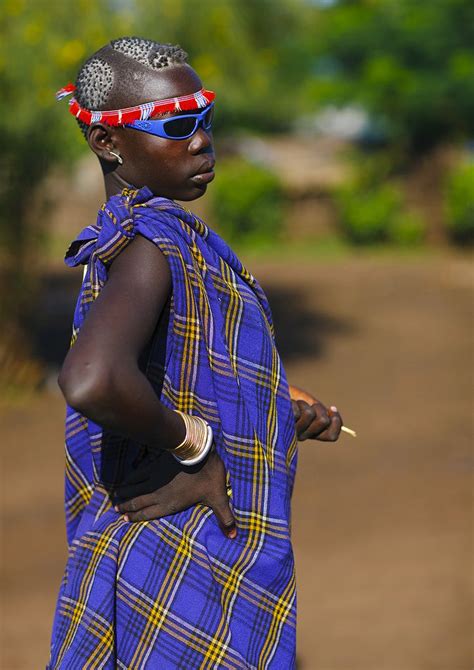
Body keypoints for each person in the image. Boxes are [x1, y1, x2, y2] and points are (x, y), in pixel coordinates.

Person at [48, 37, 343, 669]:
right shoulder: (148, 244)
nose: (201, 140)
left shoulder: (162, 240)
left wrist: (273, 405)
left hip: (185, 545)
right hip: (175, 557)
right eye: (176, 124)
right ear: (107, 142)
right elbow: (93, 378)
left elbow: (178, 366)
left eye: (204, 119)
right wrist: (193, 445)